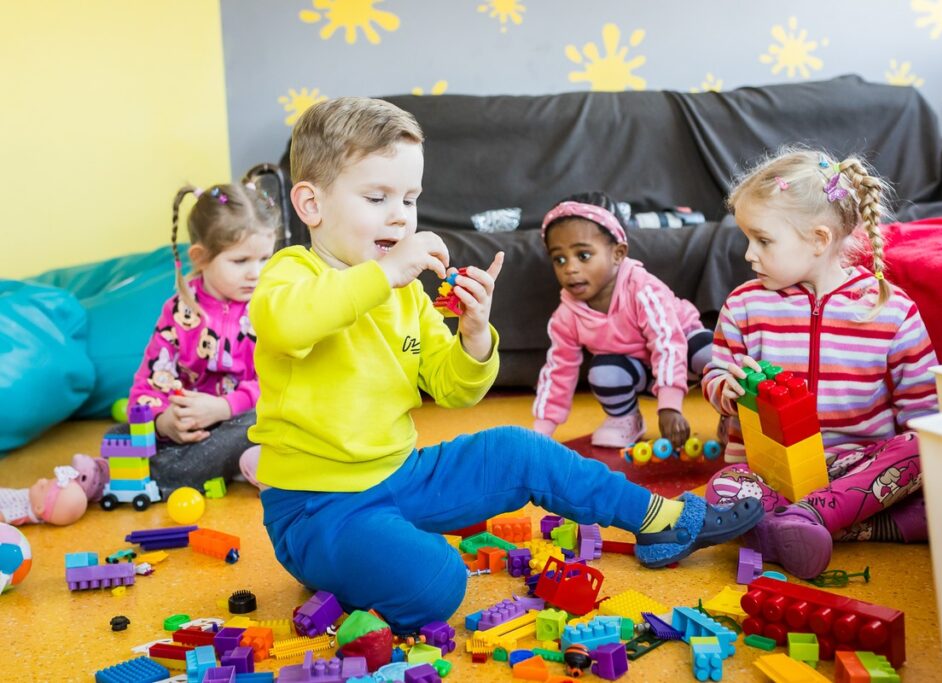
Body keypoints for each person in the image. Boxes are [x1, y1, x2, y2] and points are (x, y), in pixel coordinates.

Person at [250, 97, 764, 634]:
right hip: (317, 507)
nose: (400, 216)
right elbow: (289, 324)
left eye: (410, 198)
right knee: (439, 582)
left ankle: (661, 521)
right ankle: (350, 558)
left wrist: (473, 335)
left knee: (518, 449)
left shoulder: (405, 296)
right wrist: (387, 273)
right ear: (310, 205)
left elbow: (454, 390)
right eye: (377, 198)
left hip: (399, 474)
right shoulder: (292, 275)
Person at [701, 148, 939, 579]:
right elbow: (716, 374)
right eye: (747, 239)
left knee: (925, 449)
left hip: (856, 468)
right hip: (768, 472)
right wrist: (726, 389)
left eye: (763, 240)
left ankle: (802, 520)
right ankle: (823, 524)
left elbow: (923, 412)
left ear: (819, 239)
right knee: (722, 490)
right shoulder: (744, 305)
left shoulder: (890, 311)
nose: (748, 255)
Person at [102, 181, 280, 495]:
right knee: (124, 432)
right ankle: (238, 464)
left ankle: (209, 466)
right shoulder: (178, 314)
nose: (257, 272)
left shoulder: (272, 304)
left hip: (246, 420)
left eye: (265, 258)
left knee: (265, 421)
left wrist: (225, 407)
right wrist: (164, 422)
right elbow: (146, 387)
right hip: (199, 433)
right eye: (241, 261)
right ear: (200, 257)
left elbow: (281, 381)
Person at [533, 192, 713, 450]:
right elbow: (558, 371)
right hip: (640, 371)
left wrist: (669, 406)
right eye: (559, 259)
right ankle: (625, 419)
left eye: (583, 256)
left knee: (713, 355)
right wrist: (541, 432)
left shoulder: (643, 289)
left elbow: (668, 343)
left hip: (681, 356)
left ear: (618, 254)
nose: (570, 268)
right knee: (604, 372)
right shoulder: (566, 315)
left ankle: (733, 418)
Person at [0, 466, 88, 526]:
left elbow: (2, 516)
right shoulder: (34, 500)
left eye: (42, 487)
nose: (42, 480)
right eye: (47, 480)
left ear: (39, 507)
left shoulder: (21, 512)